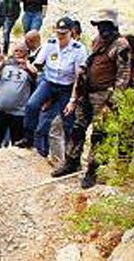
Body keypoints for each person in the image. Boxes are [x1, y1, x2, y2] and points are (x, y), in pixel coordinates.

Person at [53, 9, 133, 189]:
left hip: (105, 95)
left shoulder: (121, 45)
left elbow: (123, 75)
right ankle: (72, 162)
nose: (102, 29)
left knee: (100, 135)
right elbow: (86, 66)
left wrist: (112, 102)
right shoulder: (98, 41)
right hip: (87, 92)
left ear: (113, 25)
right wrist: (76, 95)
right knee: (77, 128)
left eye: (105, 25)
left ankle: (93, 170)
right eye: (99, 26)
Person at [21, 16, 87, 157]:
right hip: (49, 83)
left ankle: (72, 155)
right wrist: (27, 65)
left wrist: (73, 100)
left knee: (68, 121)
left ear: (71, 32)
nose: (60, 36)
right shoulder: (50, 44)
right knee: (32, 105)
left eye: (64, 33)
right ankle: (28, 138)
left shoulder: (78, 49)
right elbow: (38, 65)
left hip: (67, 87)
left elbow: (78, 77)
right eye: (58, 33)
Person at [0, 41, 35, 149]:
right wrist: (2, 63)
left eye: (21, 51)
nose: (17, 53)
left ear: (26, 53)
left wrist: (26, 66)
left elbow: (35, 77)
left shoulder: (28, 67)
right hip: (1, 110)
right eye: (16, 51)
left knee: (17, 145)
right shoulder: (5, 65)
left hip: (19, 113)